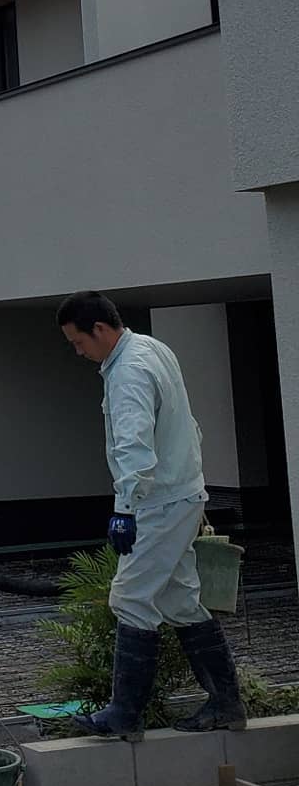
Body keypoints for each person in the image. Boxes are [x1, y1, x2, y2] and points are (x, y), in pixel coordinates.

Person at [57, 291, 246, 738]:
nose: (78, 352)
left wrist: (125, 509)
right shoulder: (153, 348)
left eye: (78, 342)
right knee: (180, 599)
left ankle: (124, 714)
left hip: (157, 501)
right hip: (181, 492)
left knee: (131, 597)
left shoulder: (129, 373)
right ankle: (225, 703)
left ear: (99, 330)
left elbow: (134, 447)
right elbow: (185, 424)